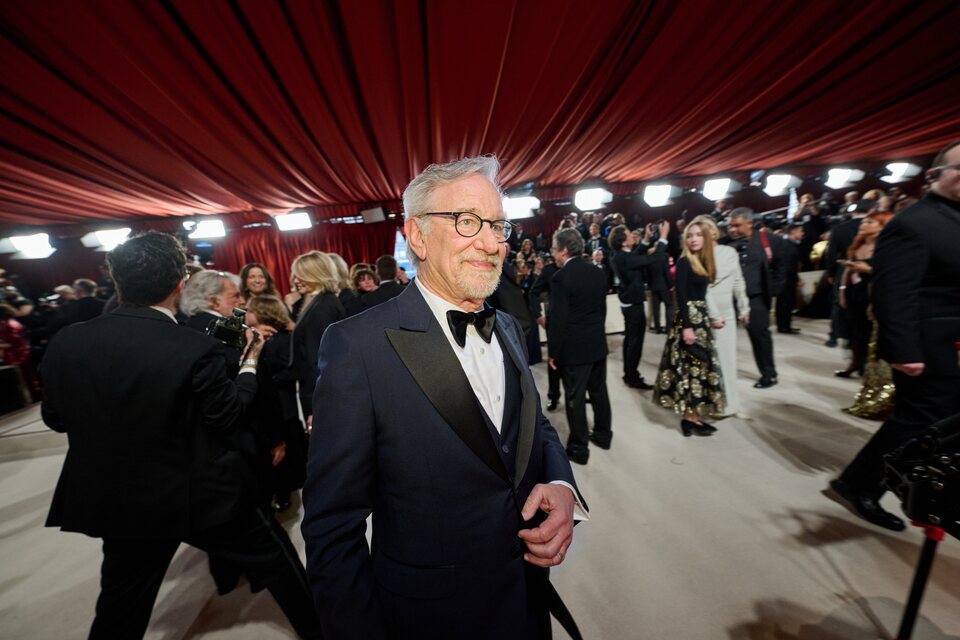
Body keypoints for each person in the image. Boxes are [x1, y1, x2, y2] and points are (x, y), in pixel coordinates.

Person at [301, 156, 585, 639]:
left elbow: (534, 428)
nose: (492, 243)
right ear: (417, 236)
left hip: (526, 599)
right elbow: (333, 527)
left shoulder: (511, 328)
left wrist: (562, 487)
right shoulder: (358, 345)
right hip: (428, 619)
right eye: (467, 221)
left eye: (498, 225)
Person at [39, 232, 322, 639]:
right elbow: (229, 417)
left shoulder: (68, 341)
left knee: (120, 610)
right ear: (179, 284)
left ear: (118, 282)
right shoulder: (191, 347)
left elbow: (56, 418)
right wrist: (249, 365)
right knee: (284, 572)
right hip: (201, 493)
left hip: (120, 501)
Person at [831, 141, 960, 532]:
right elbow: (892, 293)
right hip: (927, 347)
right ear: (935, 175)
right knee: (916, 421)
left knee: (939, 421)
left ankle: (922, 485)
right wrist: (903, 349)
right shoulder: (914, 222)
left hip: (952, 345)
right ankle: (859, 485)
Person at [653, 220, 725, 436]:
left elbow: (702, 295)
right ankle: (688, 418)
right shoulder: (685, 262)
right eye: (690, 235)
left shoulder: (702, 261)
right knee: (690, 370)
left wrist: (711, 318)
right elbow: (681, 296)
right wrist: (687, 327)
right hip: (689, 322)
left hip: (700, 321)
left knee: (700, 370)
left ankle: (696, 416)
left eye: (697, 235)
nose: (693, 239)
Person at [549, 227, 611, 464]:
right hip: (597, 343)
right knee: (599, 391)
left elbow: (558, 320)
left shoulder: (560, 277)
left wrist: (554, 352)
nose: (553, 254)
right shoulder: (597, 272)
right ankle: (604, 436)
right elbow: (602, 311)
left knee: (574, 399)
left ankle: (579, 449)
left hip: (574, 349)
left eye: (554, 249)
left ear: (564, 250)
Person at [246, 294, 305, 513]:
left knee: (285, 451)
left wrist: (270, 376)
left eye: (250, 310)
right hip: (272, 404)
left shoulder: (280, 340)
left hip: (282, 404)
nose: (245, 312)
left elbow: (293, 371)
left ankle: (285, 492)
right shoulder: (257, 337)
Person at [692, 216, 749, 417]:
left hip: (727, 315)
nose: (695, 238)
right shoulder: (696, 257)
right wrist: (715, 315)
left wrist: (744, 307)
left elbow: (737, 281)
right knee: (709, 362)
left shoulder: (729, 252)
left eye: (700, 233)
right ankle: (715, 403)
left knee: (727, 359)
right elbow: (703, 290)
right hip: (707, 314)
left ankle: (731, 404)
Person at [727, 208, 785, 388]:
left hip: (756, 298)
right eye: (731, 226)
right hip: (730, 298)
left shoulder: (770, 240)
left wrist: (773, 290)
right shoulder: (727, 244)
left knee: (760, 336)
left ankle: (769, 374)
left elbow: (782, 267)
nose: (732, 230)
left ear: (749, 223)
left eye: (737, 226)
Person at [608, 222, 669, 390]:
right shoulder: (624, 258)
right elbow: (653, 258)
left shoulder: (620, 255)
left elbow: (635, 256)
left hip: (628, 303)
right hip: (634, 306)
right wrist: (663, 238)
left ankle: (629, 373)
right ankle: (632, 377)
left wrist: (647, 239)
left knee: (630, 341)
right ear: (623, 242)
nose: (632, 236)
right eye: (629, 235)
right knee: (635, 343)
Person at [289, 251, 346, 425]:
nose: (296, 280)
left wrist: (315, 408)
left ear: (317, 274)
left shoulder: (323, 307)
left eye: (302, 275)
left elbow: (321, 361)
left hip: (321, 397)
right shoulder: (321, 302)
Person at [836, 211, 893, 377]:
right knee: (855, 330)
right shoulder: (858, 244)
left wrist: (867, 269)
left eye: (870, 222)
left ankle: (870, 369)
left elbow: (889, 273)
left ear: (882, 227)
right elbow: (847, 271)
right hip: (855, 292)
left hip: (875, 292)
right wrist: (842, 291)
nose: (863, 223)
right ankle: (855, 363)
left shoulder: (886, 246)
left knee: (871, 333)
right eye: (865, 220)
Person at [180, 270, 243, 336]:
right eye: (236, 296)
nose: (242, 301)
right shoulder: (227, 333)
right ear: (214, 302)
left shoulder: (186, 326)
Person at [776, 224, 803, 334]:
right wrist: (797, 279)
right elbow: (789, 266)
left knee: (783, 303)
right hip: (787, 279)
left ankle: (783, 325)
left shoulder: (786, 244)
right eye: (801, 231)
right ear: (793, 232)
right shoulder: (788, 246)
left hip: (786, 278)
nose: (802, 233)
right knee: (786, 303)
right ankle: (784, 327)